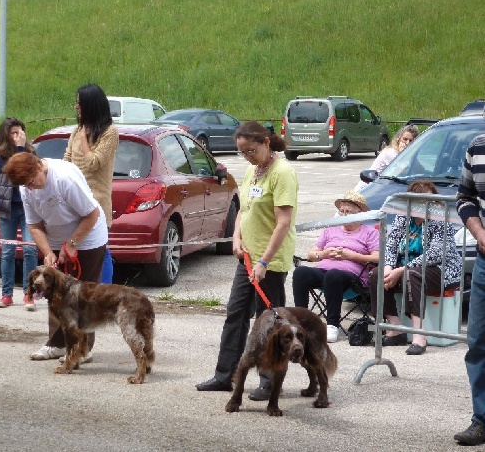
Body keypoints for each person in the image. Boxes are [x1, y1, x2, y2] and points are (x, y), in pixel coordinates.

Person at [195, 121, 298, 402]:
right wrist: (236, 237)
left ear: (266, 142)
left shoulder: (283, 173)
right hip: (248, 257)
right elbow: (243, 210)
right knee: (235, 314)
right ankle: (224, 375)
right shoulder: (253, 170)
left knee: (270, 323)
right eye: (242, 153)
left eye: (251, 151)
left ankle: (269, 380)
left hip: (270, 262)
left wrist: (265, 261)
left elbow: (283, 222)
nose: (247, 157)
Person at [2, 152, 107, 362]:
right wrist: (49, 251)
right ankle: (57, 344)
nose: (30, 188)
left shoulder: (64, 178)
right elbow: (34, 224)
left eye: (32, 182)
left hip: (87, 237)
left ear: (40, 166)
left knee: (82, 296)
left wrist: (73, 243)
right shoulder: (26, 187)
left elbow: (92, 214)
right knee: (56, 295)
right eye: (26, 185)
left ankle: (83, 349)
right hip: (58, 240)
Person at [368, 180, 461, 355]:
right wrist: (388, 267)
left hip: (441, 268)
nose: (427, 205)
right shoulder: (403, 216)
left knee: (412, 275)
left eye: (430, 201)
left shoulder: (440, 218)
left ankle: (420, 334)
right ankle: (395, 328)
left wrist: (400, 270)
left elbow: (435, 254)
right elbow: (391, 244)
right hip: (407, 266)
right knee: (376, 274)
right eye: (421, 201)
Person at [292, 190, 379, 343]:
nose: (344, 215)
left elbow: (378, 258)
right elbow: (311, 254)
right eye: (342, 211)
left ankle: (332, 325)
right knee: (301, 272)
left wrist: (351, 256)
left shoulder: (369, 233)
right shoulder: (331, 229)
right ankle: (301, 322)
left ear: (359, 214)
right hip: (324, 272)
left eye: (349, 212)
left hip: (352, 279)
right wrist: (324, 254)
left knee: (334, 274)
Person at [64, 83, 119, 284]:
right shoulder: (77, 129)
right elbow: (67, 159)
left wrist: (85, 138)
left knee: (101, 250)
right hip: (74, 201)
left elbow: (93, 163)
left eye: (79, 103)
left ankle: (103, 294)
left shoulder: (110, 133)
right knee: (78, 250)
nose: (76, 106)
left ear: (90, 105)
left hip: (97, 202)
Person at [455, 134, 485, 446]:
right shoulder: (478, 146)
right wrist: (478, 232)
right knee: (477, 342)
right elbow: (464, 197)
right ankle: (482, 419)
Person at [0, 117, 38, 310]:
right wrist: (19, 150)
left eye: (20, 132)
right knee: (8, 252)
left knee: (29, 249)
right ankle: (6, 294)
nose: (18, 136)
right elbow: (14, 175)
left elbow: (30, 176)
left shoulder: (31, 153)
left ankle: (30, 294)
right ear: (6, 135)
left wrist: (22, 149)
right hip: (8, 209)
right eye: (13, 133)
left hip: (27, 209)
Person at [354, 124, 419, 191]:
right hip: (366, 189)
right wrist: (402, 154)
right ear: (398, 139)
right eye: (405, 139)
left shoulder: (409, 155)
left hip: (382, 188)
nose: (407, 143)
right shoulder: (391, 153)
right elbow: (401, 172)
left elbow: (418, 169)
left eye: (411, 140)